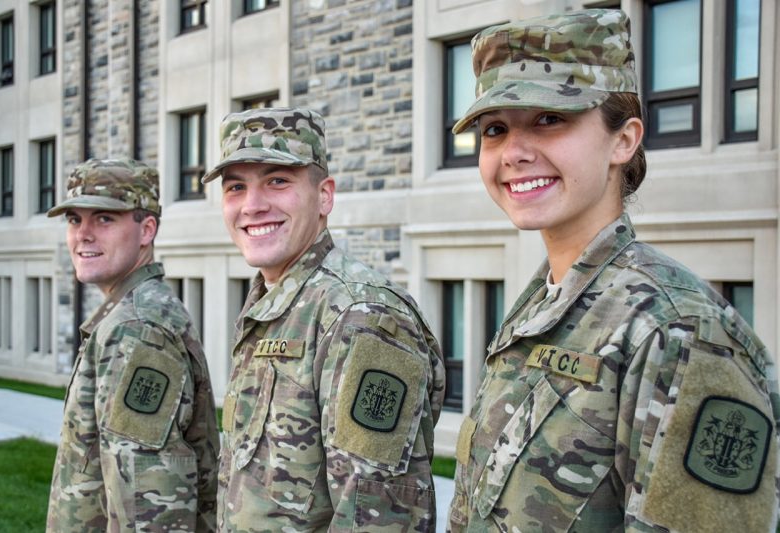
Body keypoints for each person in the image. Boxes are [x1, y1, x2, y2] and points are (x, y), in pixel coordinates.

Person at [447, 9, 779, 532]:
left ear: (623, 140)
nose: (513, 152)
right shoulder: (544, 305)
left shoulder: (678, 332)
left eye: (549, 119)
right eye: (495, 129)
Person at [203, 107, 445, 531]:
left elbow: (376, 518)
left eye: (277, 181)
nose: (252, 205)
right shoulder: (277, 303)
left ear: (325, 196)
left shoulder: (360, 317)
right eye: (236, 187)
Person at [45, 158, 220, 532]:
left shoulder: (138, 329)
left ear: (147, 230)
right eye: (74, 219)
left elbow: (149, 504)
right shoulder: (128, 314)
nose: (83, 234)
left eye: (104, 219)